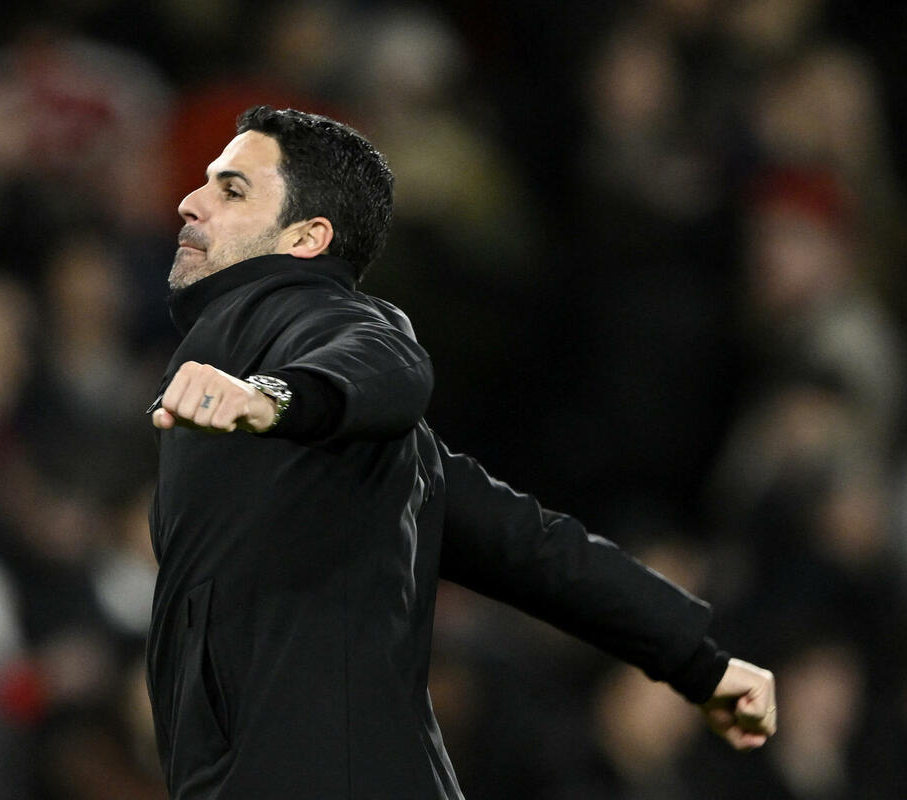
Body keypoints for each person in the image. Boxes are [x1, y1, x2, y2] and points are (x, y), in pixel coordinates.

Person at [145, 105, 776, 800]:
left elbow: (385, 361)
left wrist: (274, 397)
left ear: (307, 237)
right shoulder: (370, 459)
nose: (191, 202)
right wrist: (699, 662)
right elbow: (533, 549)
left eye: (232, 190)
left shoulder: (310, 321)